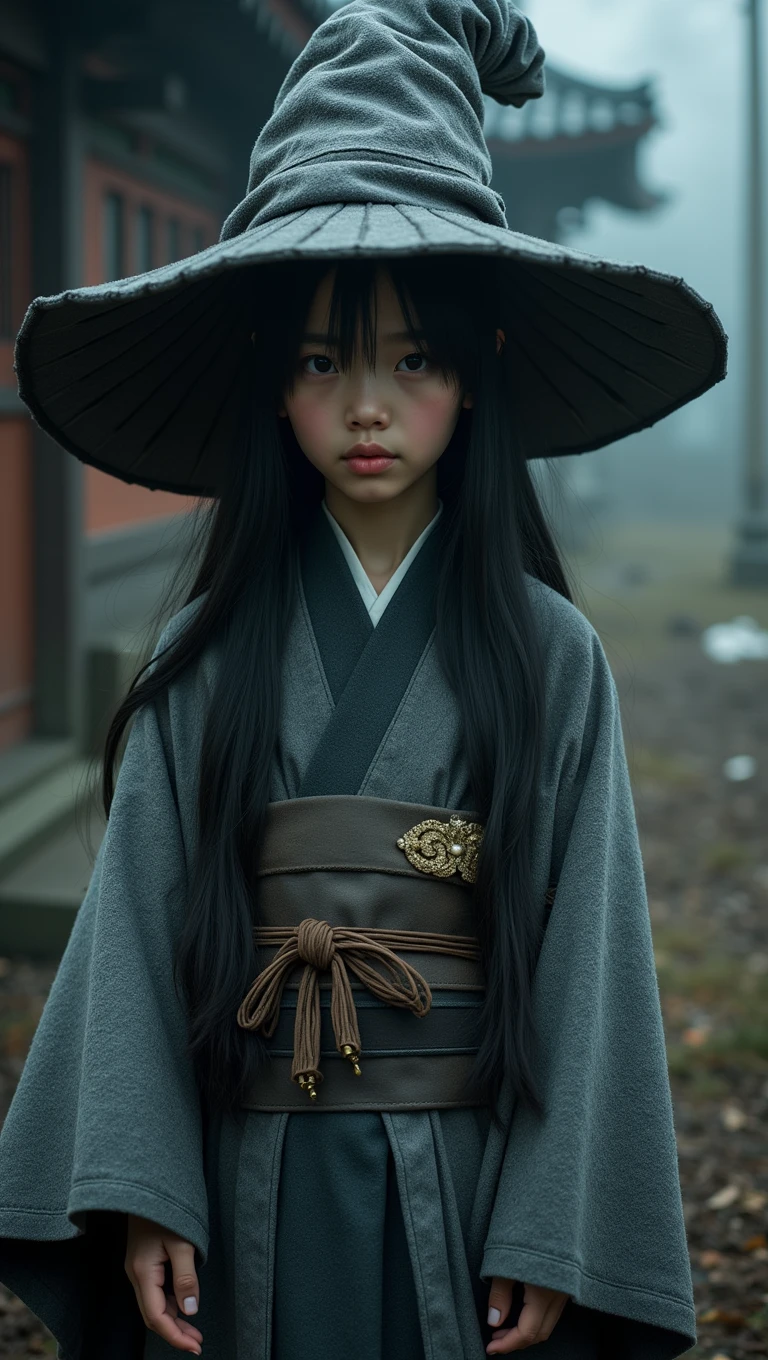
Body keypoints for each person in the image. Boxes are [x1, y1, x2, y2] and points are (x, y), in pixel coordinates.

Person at [0, 1, 727, 1357]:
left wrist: (551, 1221)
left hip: (466, 1178)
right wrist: (143, 1189)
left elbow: (591, 966)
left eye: (416, 357)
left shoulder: (550, 656)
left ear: (481, 369)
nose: (370, 406)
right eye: (324, 360)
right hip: (240, 1172)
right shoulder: (203, 656)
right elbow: (138, 939)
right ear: (272, 383)